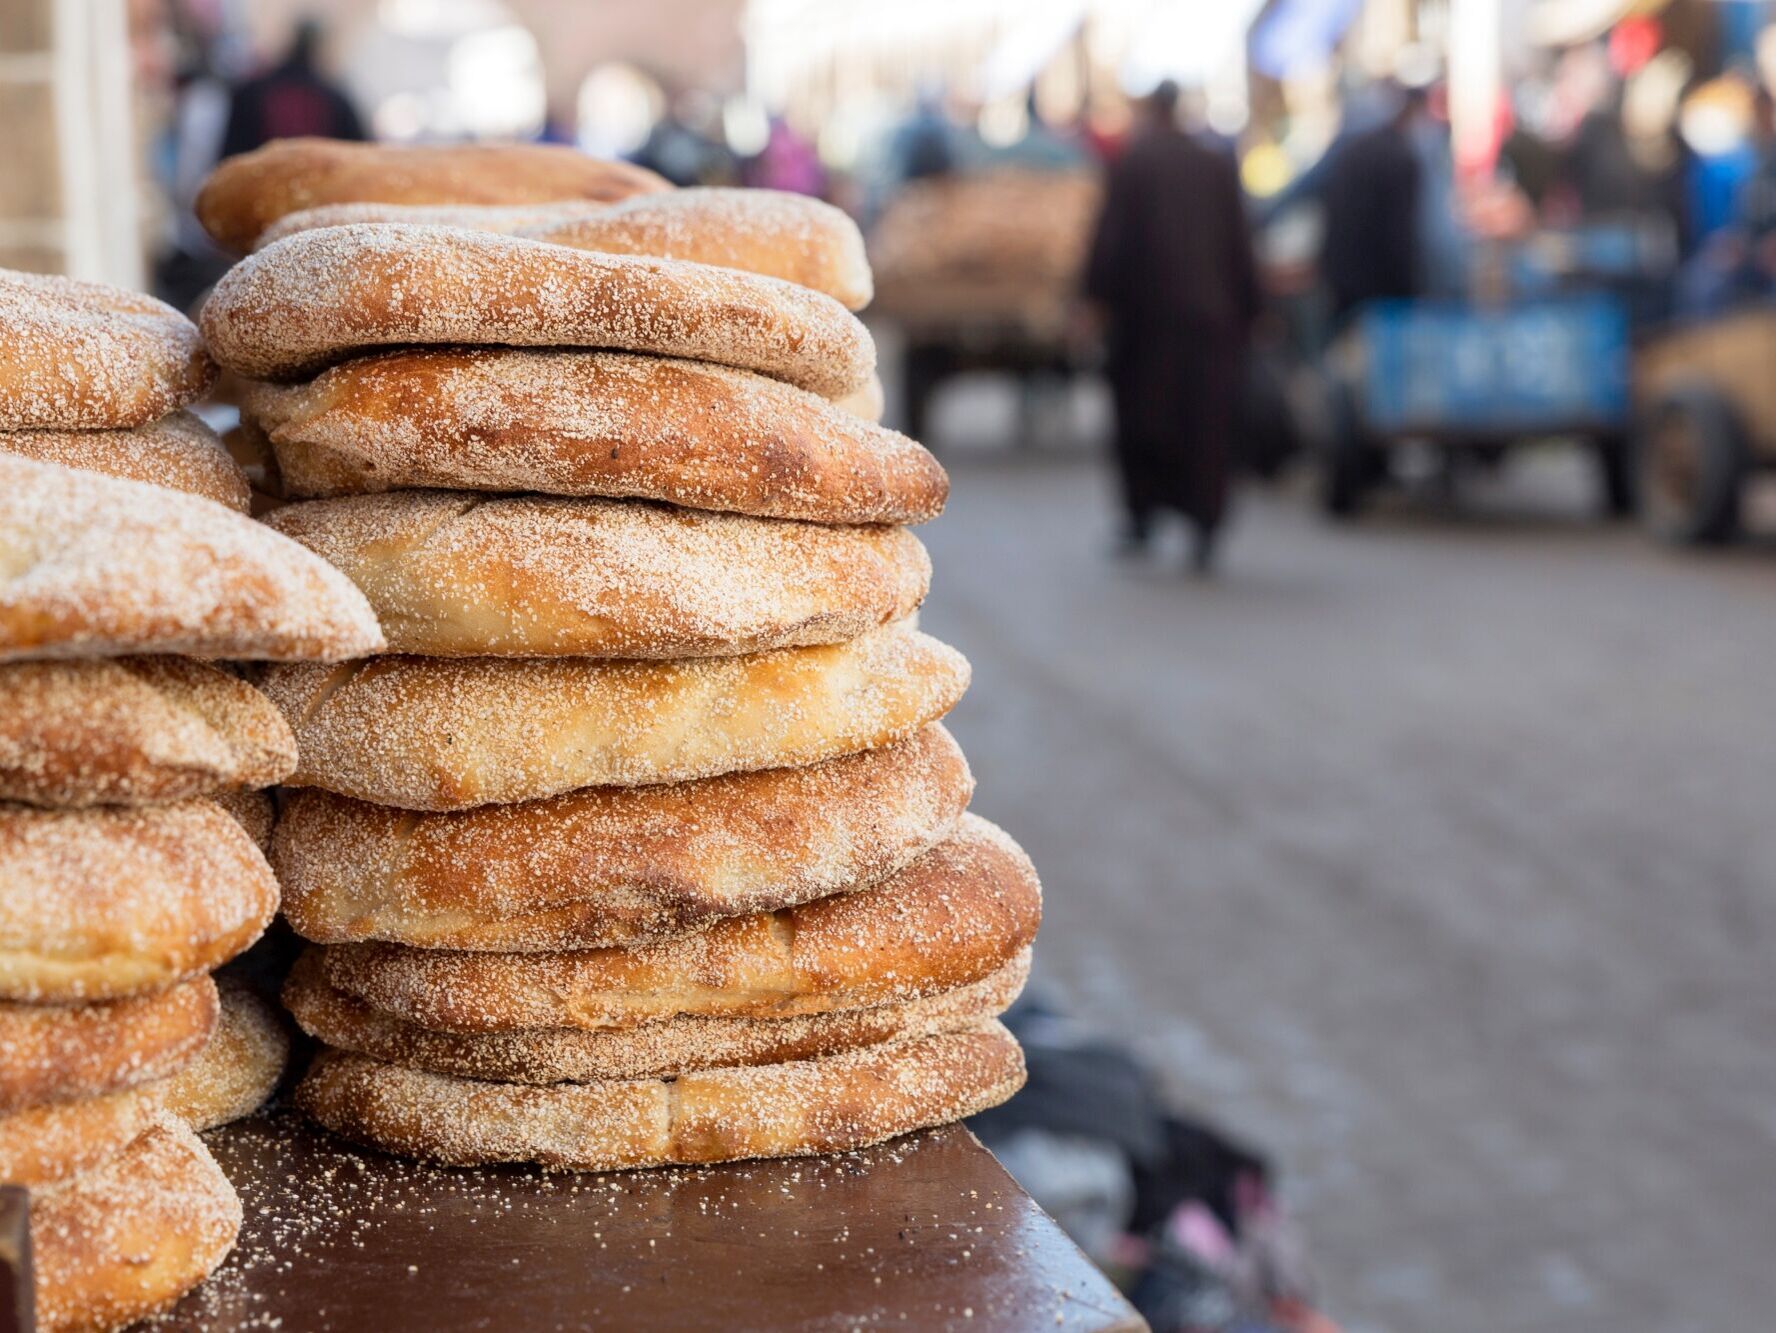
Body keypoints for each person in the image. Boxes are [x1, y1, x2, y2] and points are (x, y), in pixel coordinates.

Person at [1083, 81, 1259, 574]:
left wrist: (1096, 300)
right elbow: (1241, 244)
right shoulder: (1213, 164)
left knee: (1145, 419)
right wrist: (1252, 309)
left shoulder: (1134, 164)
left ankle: (1144, 517)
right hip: (1211, 322)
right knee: (1206, 425)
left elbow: (1111, 244)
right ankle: (1205, 525)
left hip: (1148, 325)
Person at [1317, 84, 1426, 323]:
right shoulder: (1399, 156)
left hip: (1346, 283)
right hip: (1381, 294)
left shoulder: (1355, 148)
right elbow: (1401, 240)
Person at [219, 18, 364, 159]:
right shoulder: (336, 98)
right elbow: (359, 153)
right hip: (319, 180)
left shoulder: (251, 91)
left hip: (261, 180)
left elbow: (229, 154)